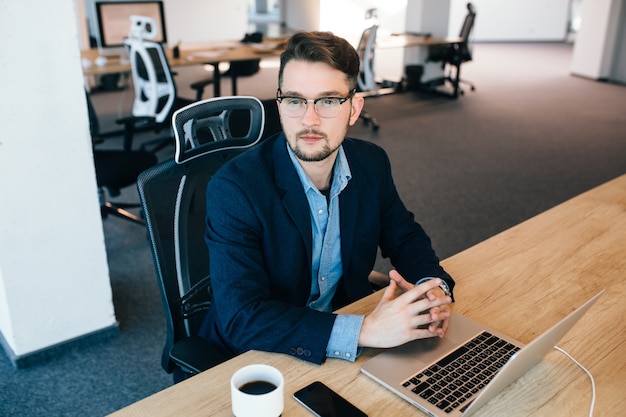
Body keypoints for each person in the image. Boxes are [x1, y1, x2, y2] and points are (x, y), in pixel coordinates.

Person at [199, 31, 454, 365]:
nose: (309, 119)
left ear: (354, 108)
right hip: (255, 354)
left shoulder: (371, 163)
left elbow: (404, 236)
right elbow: (242, 318)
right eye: (295, 100)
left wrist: (432, 289)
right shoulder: (234, 189)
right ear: (280, 106)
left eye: (329, 101)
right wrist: (365, 331)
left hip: (340, 331)